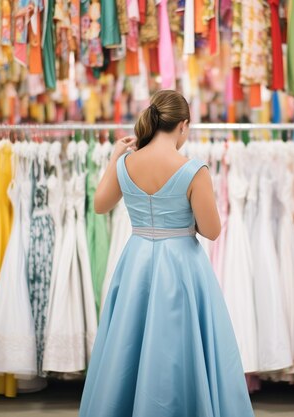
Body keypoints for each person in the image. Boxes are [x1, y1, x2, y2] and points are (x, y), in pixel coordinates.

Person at [79, 90, 254, 416]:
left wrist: (115, 157)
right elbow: (212, 230)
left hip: (137, 262)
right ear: (183, 126)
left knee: (128, 345)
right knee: (178, 350)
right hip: (181, 267)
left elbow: (100, 205)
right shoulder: (193, 169)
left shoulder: (127, 163)